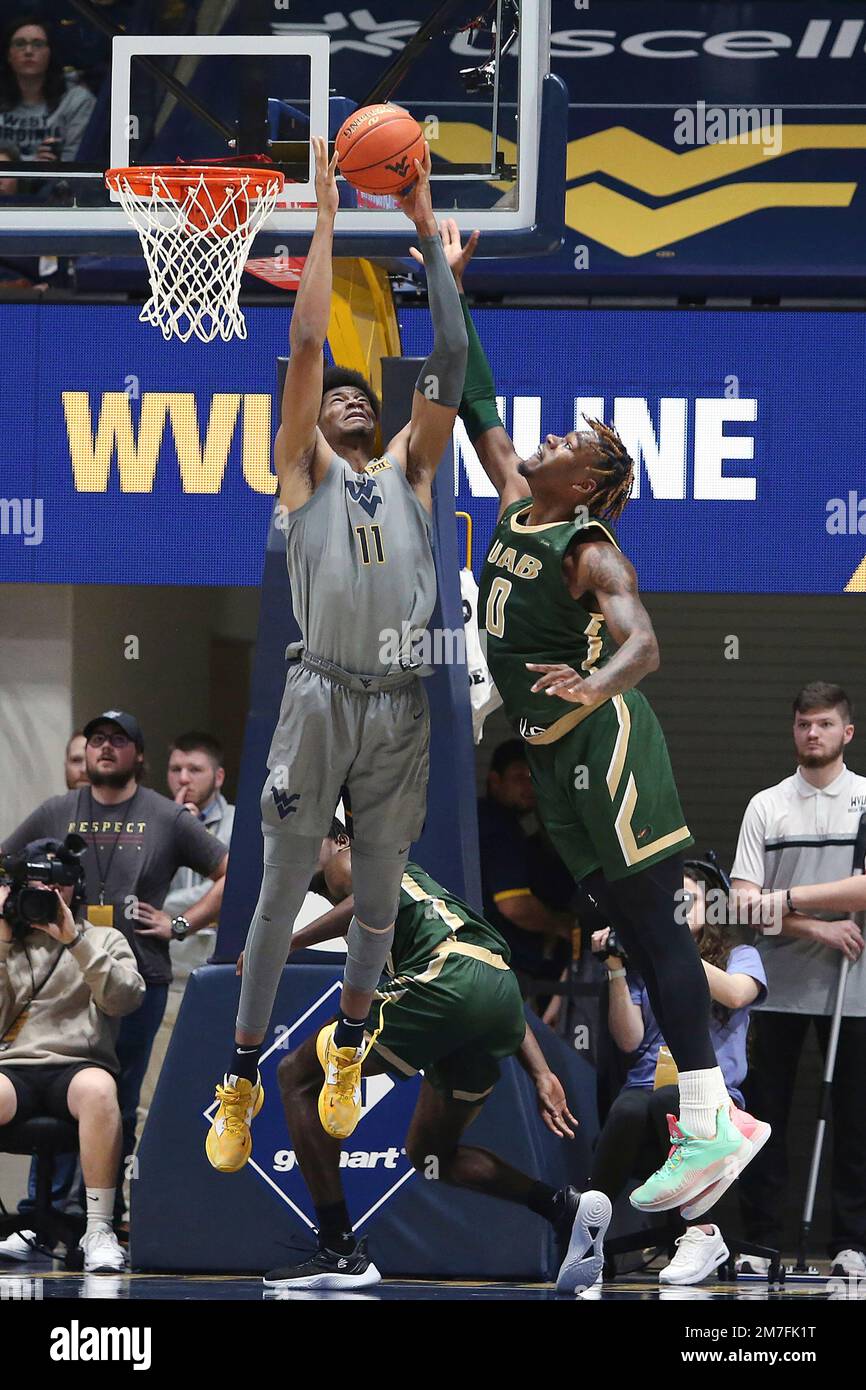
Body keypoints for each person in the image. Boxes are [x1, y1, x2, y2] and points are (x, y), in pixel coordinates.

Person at [416, 218, 767, 1215]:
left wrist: (596, 682)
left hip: (605, 743)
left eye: (579, 446)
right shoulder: (514, 497)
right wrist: (444, 280)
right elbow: (473, 385)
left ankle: (709, 1115)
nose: (555, 439)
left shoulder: (587, 543)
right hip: (552, 754)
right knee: (623, 923)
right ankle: (710, 1116)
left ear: (594, 486)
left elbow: (644, 642)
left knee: (657, 926)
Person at [206, 136, 468, 1167]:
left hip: (399, 700)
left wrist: (424, 235)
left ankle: (351, 1042)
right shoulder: (302, 469)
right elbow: (310, 346)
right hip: (317, 694)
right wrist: (322, 220)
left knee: (377, 892)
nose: (352, 396)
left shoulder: (412, 465)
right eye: (339, 395)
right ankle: (238, 1076)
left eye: (369, 393)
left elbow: (446, 358)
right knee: (276, 891)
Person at [251, 819, 610, 1293]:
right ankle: (564, 1206)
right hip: (497, 995)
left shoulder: (349, 863)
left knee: (297, 1074)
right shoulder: (415, 886)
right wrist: (540, 1072)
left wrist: (286, 941)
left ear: (340, 839)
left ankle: (339, 1249)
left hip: (446, 979)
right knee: (431, 1153)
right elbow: (486, 971)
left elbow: (366, 904)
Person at [1, 710, 228, 1211]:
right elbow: (3, 866)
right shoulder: (57, 810)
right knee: (52, 1087)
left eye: (118, 740)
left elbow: (231, 871)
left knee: (119, 1100)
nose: (105, 748)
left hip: (136, 975)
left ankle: (107, 1212)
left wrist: (183, 923)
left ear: (138, 755)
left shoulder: (164, 815)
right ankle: (47, 1208)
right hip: (62, 979)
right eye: (97, 739)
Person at [731, 682, 866, 1280]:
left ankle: (852, 1243)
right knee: (766, 1120)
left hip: (854, 993)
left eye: (825, 725)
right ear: (794, 731)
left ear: (847, 733)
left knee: (856, 1122)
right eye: (804, 724)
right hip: (775, 989)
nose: (813, 734)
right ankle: (760, 1243)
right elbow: (740, 905)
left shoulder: (865, 800)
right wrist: (817, 927)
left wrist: (784, 899)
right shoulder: (767, 805)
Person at [589, 869, 768, 1286]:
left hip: (715, 1109)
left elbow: (738, 994)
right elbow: (629, 1040)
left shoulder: (740, 955)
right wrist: (616, 967)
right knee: (633, 1103)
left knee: (670, 1100)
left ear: (710, 909)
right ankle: (587, 1234)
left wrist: (666, 950)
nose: (679, 910)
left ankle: (700, 1233)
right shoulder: (641, 965)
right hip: (641, 1105)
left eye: (689, 902)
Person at [0, 839, 144, 1272]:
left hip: (78, 1066)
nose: (44, 895)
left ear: (73, 890)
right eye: (34, 886)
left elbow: (125, 999)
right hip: (14, 1067)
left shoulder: (103, 937)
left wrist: (76, 941)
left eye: (54, 887)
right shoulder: (7, 942)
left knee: (101, 1091)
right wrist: (4, 938)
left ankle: (98, 1228)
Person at [477, 737, 574, 1002]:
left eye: (534, 776)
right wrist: (560, 925)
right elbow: (515, 905)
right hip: (498, 965)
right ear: (495, 781)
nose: (529, 785)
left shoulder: (487, 821)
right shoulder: (499, 828)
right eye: (519, 776)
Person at [164, 731, 235, 973]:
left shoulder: (242, 823)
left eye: (194, 770)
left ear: (218, 777)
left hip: (219, 963)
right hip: (169, 962)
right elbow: (145, 887)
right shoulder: (153, 825)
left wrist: (194, 836)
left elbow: (236, 887)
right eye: (175, 769)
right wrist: (171, 832)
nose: (183, 779)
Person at [0, 15, 96, 163]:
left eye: (38, 44)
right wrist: (34, 163)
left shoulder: (77, 100)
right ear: (8, 55)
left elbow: (77, 164)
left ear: (50, 52)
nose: (28, 51)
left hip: (56, 184)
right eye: (20, 44)